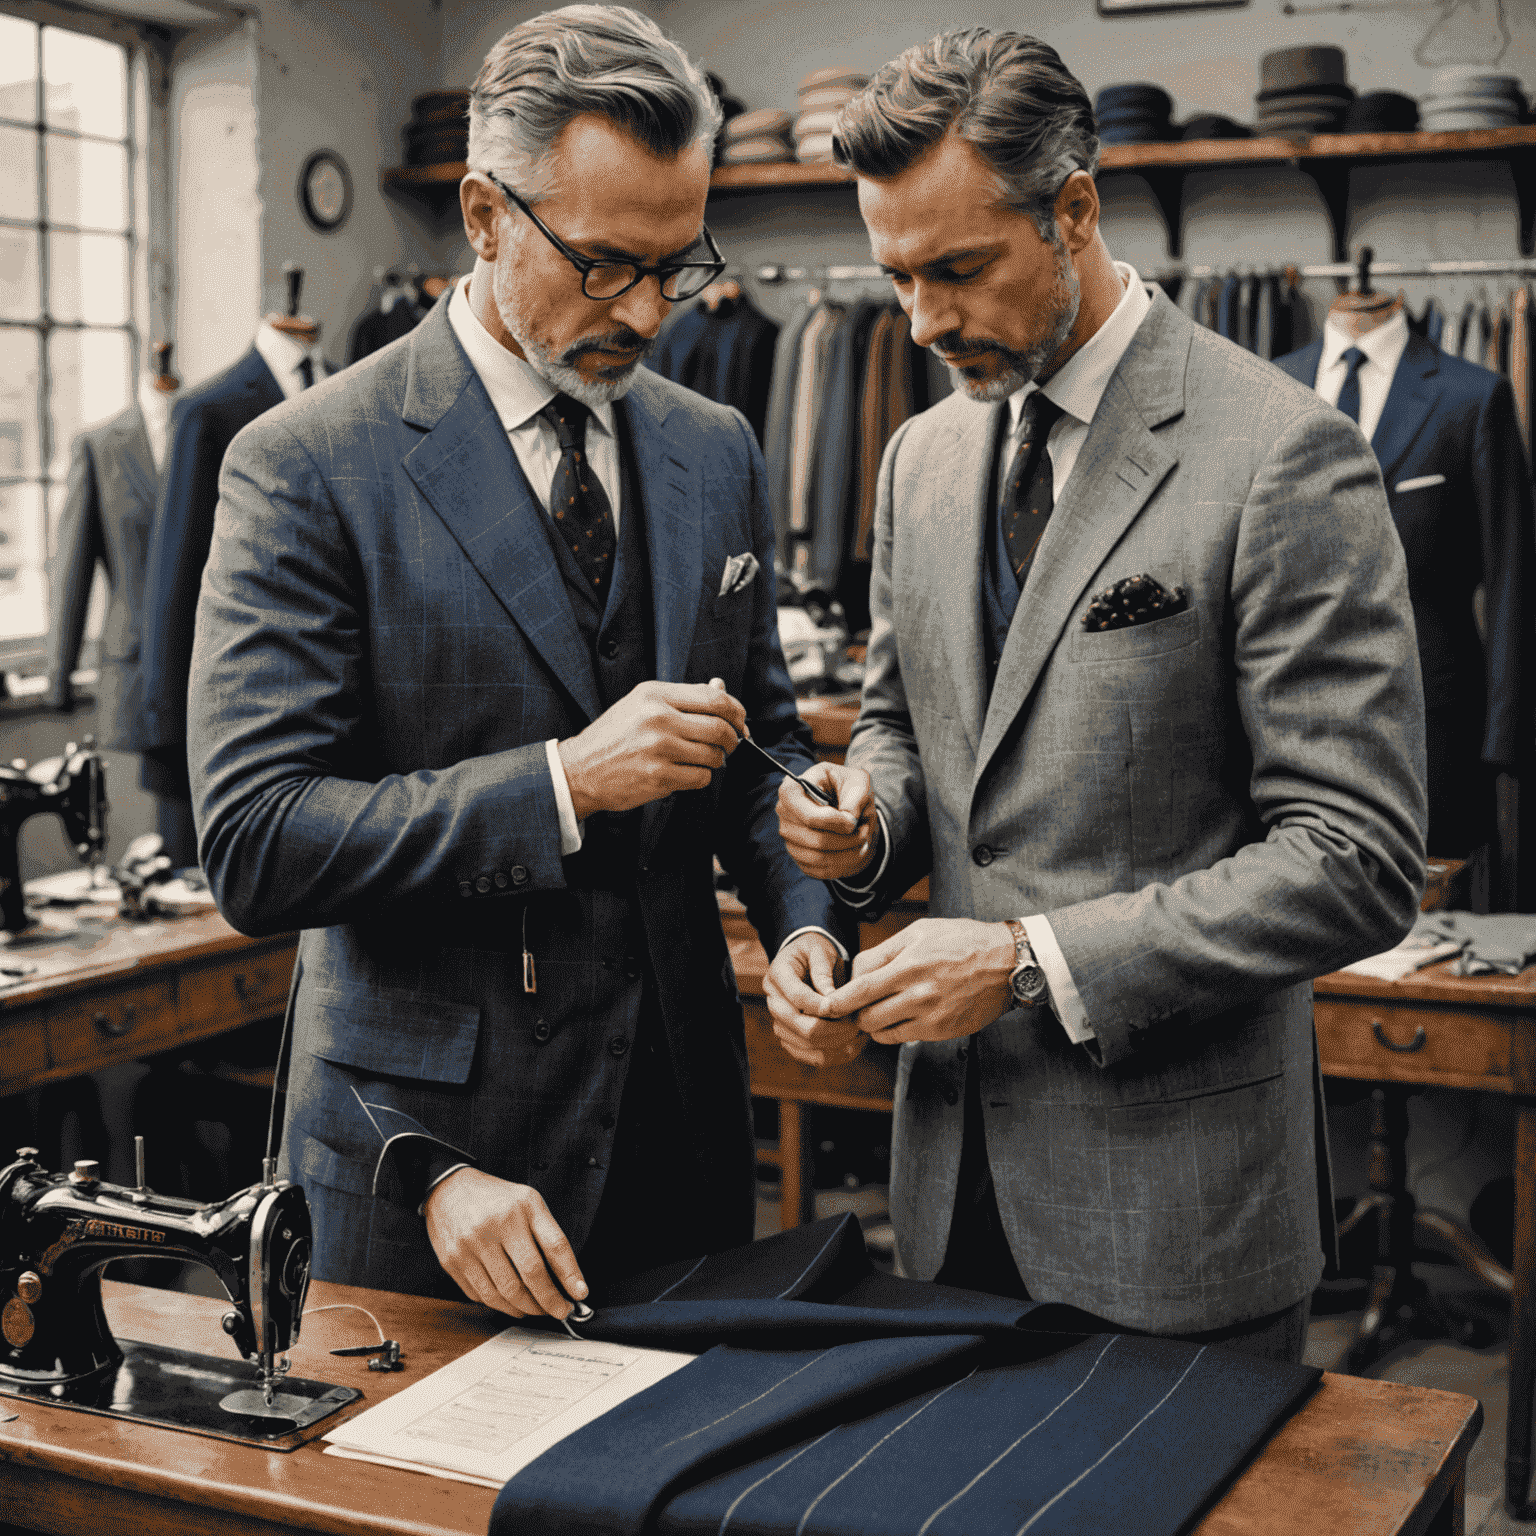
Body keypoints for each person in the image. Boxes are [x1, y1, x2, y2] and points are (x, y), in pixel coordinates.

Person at [188, 4, 851, 1321]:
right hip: (432, 1170)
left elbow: (755, 741)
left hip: (684, 1151)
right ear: (485, 216)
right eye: (608, 264)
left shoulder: (714, 444)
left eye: (681, 263)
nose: (654, 310)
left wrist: (807, 920)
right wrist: (558, 783)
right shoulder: (311, 462)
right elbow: (258, 840)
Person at [772, 28, 1427, 1362]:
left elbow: (1355, 859)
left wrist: (1026, 962)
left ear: (1075, 207)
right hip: (951, 1200)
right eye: (896, 276)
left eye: (960, 268)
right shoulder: (921, 458)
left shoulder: (1283, 453)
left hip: (1184, 1222)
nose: (925, 321)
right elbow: (906, 722)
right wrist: (868, 818)